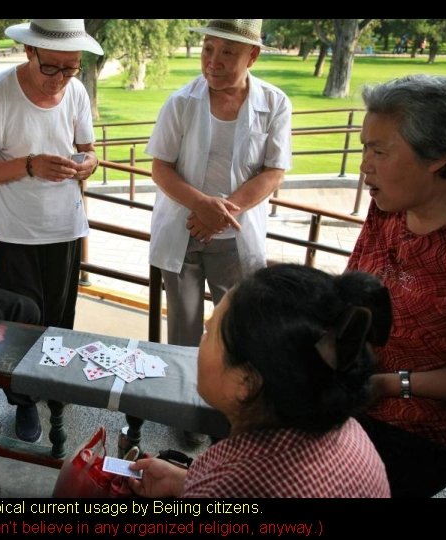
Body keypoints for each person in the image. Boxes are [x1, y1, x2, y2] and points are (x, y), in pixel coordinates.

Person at [146, 19, 291, 444]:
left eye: (227, 52)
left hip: (235, 240)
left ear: (253, 56)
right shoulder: (181, 102)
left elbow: (273, 171)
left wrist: (221, 212)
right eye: (208, 49)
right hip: (184, 235)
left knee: (237, 334)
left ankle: (231, 418)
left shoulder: (275, 103)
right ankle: (185, 414)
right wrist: (201, 207)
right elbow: (160, 167)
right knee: (186, 331)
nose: (214, 61)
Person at [128, 264, 391, 498]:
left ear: (247, 382)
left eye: (209, 333)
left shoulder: (236, 487)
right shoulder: (347, 431)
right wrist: (188, 483)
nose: (201, 337)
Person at [0, 19, 102, 442]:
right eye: (52, 68)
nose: (60, 79)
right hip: (16, 231)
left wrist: (87, 165)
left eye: (71, 68)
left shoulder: (75, 91)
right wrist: (29, 164)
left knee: (60, 320)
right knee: (22, 323)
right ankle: (23, 402)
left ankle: (55, 390)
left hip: (65, 225)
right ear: (30, 53)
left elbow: (89, 152)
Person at [346, 75, 446, 497]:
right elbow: (352, 296)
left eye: (379, 151)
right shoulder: (387, 209)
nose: (363, 165)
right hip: (354, 394)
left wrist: (392, 383)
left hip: (421, 431)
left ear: (438, 156)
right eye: (363, 148)